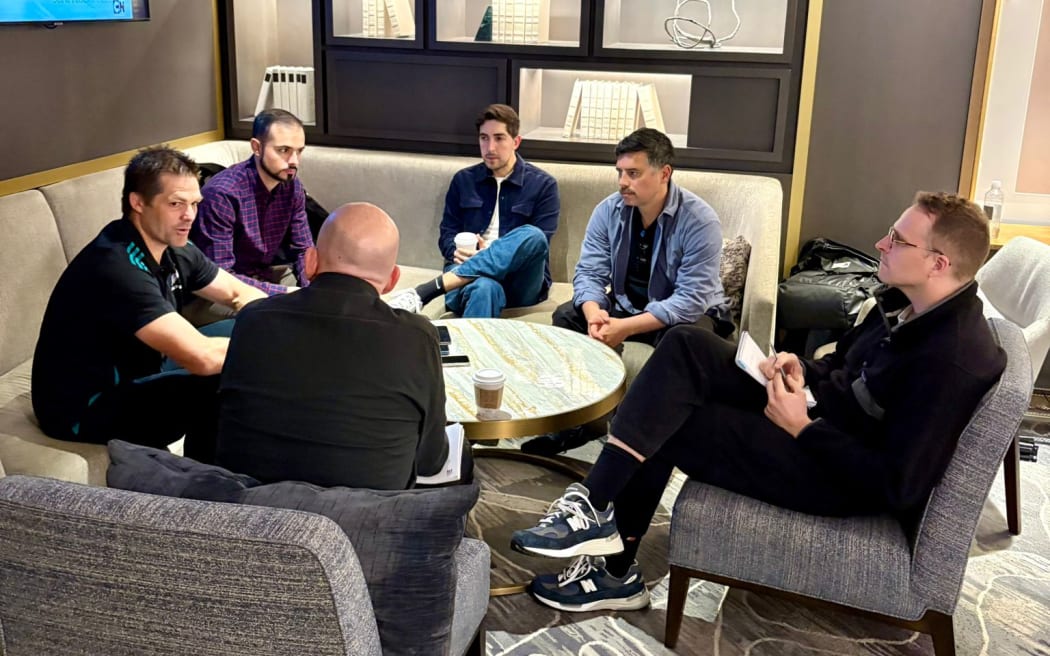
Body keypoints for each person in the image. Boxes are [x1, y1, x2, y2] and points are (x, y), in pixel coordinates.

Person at [510, 191, 1006, 613]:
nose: (881, 243)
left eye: (898, 240)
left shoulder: (951, 360)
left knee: (677, 419)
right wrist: (798, 369)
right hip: (819, 418)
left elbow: (895, 484)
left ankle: (616, 570)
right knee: (687, 343)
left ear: (939, 263)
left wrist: (801, 428)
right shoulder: (905, 302)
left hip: (833, 476)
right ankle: (596, 505)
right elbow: (844, 371)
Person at [32, 146, 268, 462]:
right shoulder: (116, 267)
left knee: (246, 324)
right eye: (175, 204)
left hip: (140, 369)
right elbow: (200, 358)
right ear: (138, 203)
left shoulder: (175, 247)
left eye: (194, 204)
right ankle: (208, 483)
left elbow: (241, 296)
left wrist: (283, 325)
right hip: (86, 407)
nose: (189, 216)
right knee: (218, 376)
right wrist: (273, 350)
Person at [215, 202, 457, 490]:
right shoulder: (417, 337)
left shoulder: (253, 320)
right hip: (366, 522)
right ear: (392, 280)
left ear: (310, 261)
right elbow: (431, 459)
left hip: (251, 511)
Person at [523, 127, 731, 455]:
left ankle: (643, 440)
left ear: (664, 173)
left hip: (690, 315)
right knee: (568, 315)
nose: (622, 182)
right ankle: (580, 423)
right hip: (628, 305)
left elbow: (690, 301)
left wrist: (624, 328)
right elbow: (590, 273)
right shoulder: (609, 210)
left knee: (682, 341)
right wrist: (595, 316)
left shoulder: (699, 220)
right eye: (619, 172)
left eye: (633, 174)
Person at [387, 104, 560, 318]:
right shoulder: (463, 181)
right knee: (485, 288)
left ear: (516, 142)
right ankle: (472, 351)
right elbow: (447, 235)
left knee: (534, 235)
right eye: (484, 138)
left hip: (518, 281)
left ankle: (428, 290)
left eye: (499, 138)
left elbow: (538, 246)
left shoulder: (543, 185)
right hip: (466, 277)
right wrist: (456, 251)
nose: (490, 148)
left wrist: (488, 252)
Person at [187, 108, 312, 323]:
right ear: (256, 147)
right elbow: (222, 274)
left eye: (299, 151)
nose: (294, 161)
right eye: (283, 150)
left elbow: (303, 250)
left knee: (332, 294)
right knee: (283, 314)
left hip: (261, 274)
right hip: (214, 294)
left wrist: (315, 291)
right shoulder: (223, 194)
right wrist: (286, 294)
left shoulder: (291, 188)